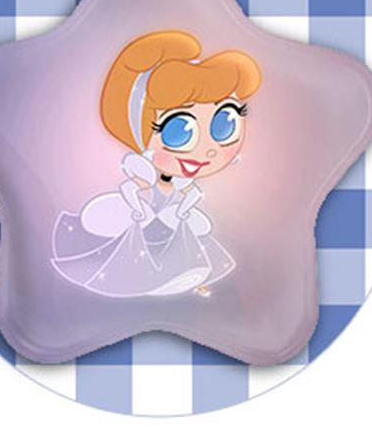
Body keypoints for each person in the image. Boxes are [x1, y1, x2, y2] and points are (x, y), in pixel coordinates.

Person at [51, 31, 261, 297]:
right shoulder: (145, 174)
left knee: (184, 245)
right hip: (145, 223)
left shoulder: (182, 182)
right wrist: (140, 209)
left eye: (225, 124)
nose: (207, 150)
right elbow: (130, 189)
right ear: (139, 133)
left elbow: (191, 194)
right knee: (144, 255)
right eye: (179, 131)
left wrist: (183, 209)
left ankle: (188, 279)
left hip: (169, 223)